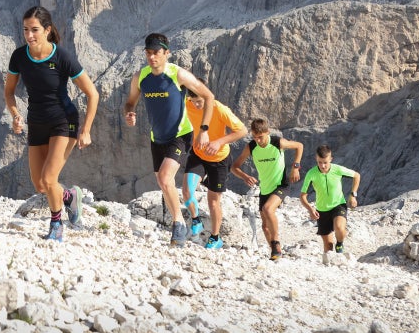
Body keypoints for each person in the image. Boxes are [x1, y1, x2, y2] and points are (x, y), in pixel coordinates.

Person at [4, 6, 99, 242]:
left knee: (49, 178)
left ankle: (56, 225)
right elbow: (9, 92)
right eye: (25, 30)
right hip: (36, 122)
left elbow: (92, 94)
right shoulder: (18, 56)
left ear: (47, 30)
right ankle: (68, 197)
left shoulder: (62, 57)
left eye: (35, 30)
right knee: (40, 185)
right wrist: (15, 114)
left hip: (63, 122)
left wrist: (86, 130)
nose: (29, 35)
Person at [123, 33, 217, 247]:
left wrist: (204, 129)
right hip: (157, 137)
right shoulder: (141, 77)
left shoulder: (178, 74)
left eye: (156, 52)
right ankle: (180, 222)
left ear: (167, 53)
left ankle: (178, 225)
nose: (151, 57)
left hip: (180, 135)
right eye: (148, 53)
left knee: (165, 178)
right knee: (163, 183)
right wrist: (130, 113)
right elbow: (130, 102)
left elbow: (209, 96)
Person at [181, 79, 248, 250]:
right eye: (194, 101)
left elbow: (242, 131)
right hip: (198, 154)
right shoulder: (187, 104)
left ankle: (215, 238)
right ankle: (196, 221)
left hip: (219, 159)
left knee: (213, 202)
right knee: (187, 191)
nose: (196, 105)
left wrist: (219, 142)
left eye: (200, 102)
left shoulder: (219, 109)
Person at [230, 118, 303, 260]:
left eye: (260, 137)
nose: (258, 140)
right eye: (254, 137)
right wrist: (244, 177)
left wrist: (295, 167)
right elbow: (234, 167)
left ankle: (276, 243)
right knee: (265, 227)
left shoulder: (277, 142)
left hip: (281, 185)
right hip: (265, 188)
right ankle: (275, 254)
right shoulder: (251, 147)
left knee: (268, 209)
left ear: (267, 132)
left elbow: (299, 146)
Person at [299, 144, 361, 255]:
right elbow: (303, 196)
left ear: (331, 159)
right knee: (328, 248)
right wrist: (310, 209)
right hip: (321, 210)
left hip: (338, 205)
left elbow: (356, 176)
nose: (323, 166)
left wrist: (353, 195)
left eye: (325, 162)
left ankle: (340, 243)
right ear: (316, 159)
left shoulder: (337, 169)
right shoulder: (311, 174)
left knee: (339, 228)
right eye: (320, 162)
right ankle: (330, 266)